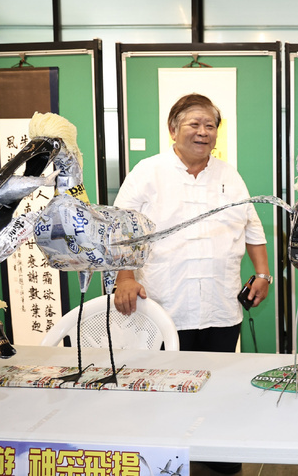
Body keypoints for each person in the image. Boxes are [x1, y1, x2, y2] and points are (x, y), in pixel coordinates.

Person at [114, 93, 271, 476]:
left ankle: (218, 458)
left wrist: (263, 273)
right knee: (165, 389)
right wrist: (125, 276)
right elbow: (119, 227)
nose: (203, 132)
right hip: (167, 305)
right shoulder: (147, 172)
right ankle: (165, 459)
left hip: (220, 306)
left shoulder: (228, 175)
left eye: (210, 125)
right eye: (194, 124)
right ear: (173, 128)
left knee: (219, 387)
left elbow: (253, 226)